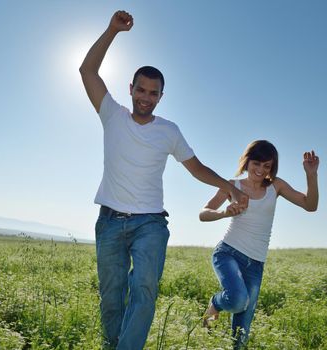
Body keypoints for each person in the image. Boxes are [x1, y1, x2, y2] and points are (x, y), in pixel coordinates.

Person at [79, 10, 248, 350]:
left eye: (153, 93)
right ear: (131, 89)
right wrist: (112, 30)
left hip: (150, 224)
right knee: (112, 298)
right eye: (140, 89)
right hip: (109, 222)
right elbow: (87, 71)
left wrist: (229, 186)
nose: (145, 96)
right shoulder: (112, 114)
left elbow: (196, 167)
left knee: (143, 291)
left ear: (160, 97)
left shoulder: (169, 131)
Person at [200, 140, 319, 348]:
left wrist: (311, 175)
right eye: (257, 163)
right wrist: (224, 212)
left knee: (242, 334)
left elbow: (310, 205)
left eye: (267, 166)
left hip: (255, 263)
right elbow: (203, 214)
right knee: (237, 300)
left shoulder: (276, 186)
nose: (261, 170)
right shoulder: (233, 186)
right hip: (228, 252)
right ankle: (215, 304)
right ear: (247, 162)